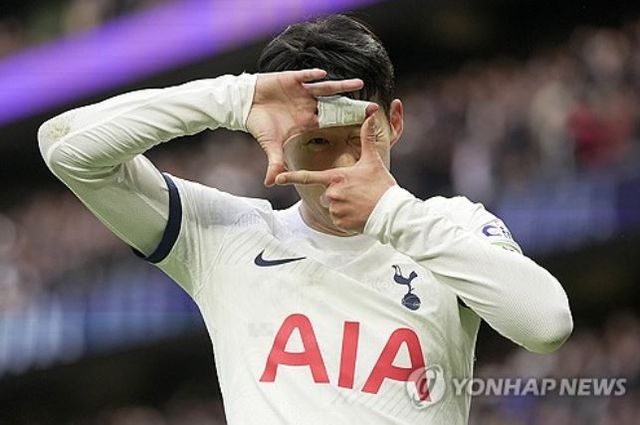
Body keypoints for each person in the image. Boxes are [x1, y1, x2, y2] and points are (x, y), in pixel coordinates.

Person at [37, 14, 572, 425]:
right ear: (276, 141)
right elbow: (66, 148)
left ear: (394, 122)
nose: (343, 163)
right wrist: (235, 98)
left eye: (359, 136)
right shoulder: (225, 238)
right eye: (316, 142)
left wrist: (390, 212)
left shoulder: (450, 224)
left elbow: (547, 324)